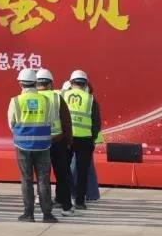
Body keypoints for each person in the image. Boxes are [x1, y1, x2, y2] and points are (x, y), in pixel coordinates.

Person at [8, 68, 59, 224]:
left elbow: (12, 123)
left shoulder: (15, 101)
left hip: (23, 145)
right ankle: (47, 215)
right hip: (43, 145)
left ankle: (28, 214)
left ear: (20, 83)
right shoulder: (46, 101)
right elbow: (50, 121)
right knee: (44, 179)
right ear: (35, 82)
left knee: (26, 179)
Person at [37, 68, 74, 216]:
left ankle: (43, 204)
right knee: (62, 174)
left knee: (42, 176)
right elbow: (66, 122)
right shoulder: (57, 98)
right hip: (57, 142)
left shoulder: (30, 98)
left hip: (39, 142)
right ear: (51, 83)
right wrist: (69, 141)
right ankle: (65, 206)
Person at [64, 70, 101, 210]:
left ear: (71, 82)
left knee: (64, 170)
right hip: (85, 140)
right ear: (85, 83)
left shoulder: (63, 95)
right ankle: (79, 201)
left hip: (66, 138)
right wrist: (92, 138)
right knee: (82, 171)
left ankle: (64, 198)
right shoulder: (90, 99)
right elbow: (96, 122)